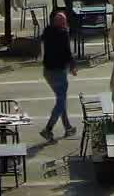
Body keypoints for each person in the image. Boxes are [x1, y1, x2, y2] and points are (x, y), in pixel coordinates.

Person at [39, 11, 75, 141]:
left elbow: (42, 39)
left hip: (47, 71)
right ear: (62, 23)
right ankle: (48, 129)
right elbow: (67, 52)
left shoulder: (48, 31)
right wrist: (73, 65)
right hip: (59, 72)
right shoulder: (63, 33)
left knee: (61, 99)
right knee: (61, 102)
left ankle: (68, 127)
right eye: (64, 21)